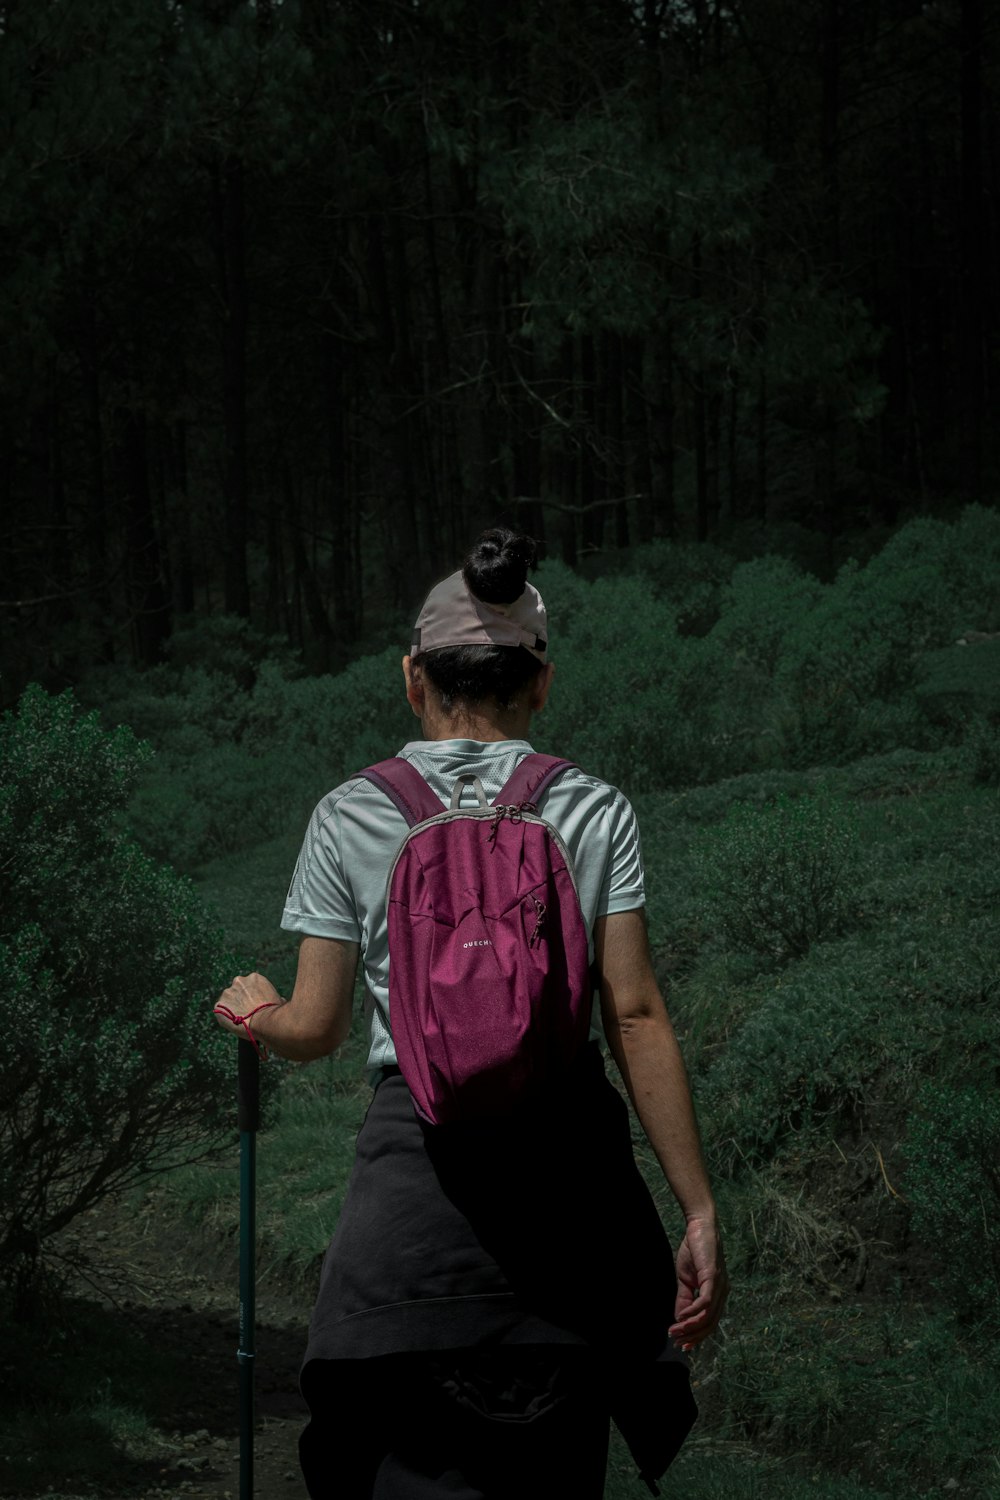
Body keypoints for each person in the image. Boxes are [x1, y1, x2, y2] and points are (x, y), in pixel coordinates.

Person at [213, 527, 728, 1500]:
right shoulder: (592, 808)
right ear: (541, 684)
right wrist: (696, 1209)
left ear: (413, 678)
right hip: (570, 1228)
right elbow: (636, 1013)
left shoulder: (351, 813)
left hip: (413, 1227)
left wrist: (258, 1012)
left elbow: (316, 1030)